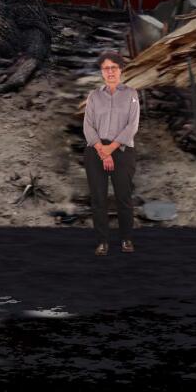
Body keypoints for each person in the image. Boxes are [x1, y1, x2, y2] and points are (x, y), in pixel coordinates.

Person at [81, 52, 141, 256]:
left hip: (122, 152)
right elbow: (88, 125)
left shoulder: (131, 94)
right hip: (95, 152)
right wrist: (101, 150)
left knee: (123, 198)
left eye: (114, 67)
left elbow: (132, 126)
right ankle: (102, 242)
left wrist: (111, 148)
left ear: (121, 70)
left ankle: (126, 239)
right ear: (101, 72)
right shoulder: (94, 96)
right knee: (98, 199)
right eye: (106, 68)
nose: (110, 72)